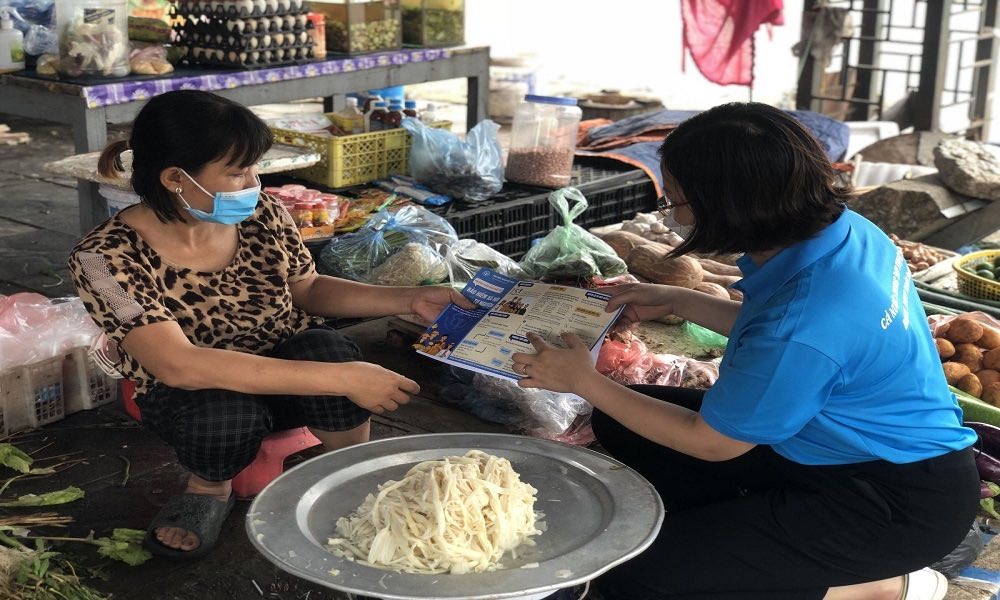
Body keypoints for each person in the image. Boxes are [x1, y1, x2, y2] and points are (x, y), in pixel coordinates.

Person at [511, 102, 979, 600]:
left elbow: (715, 442)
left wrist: (584, 380)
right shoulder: (843, 232)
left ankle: (877, 587)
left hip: (890, 501)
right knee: (616, 421)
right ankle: (750, 543)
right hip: (820, 448)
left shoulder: (805, 323)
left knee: (639, 576)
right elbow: (782, 340)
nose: (674, 216)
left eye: (677, 203)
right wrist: (676, 298)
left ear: (729, 206)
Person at [67, 90, 473, 560]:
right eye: (238, 172)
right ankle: (208, 489)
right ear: (176, 178)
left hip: (286, 368)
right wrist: (341, 380)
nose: (254, 183)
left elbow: (309, 288)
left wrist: (408, 299)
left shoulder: (263, 214)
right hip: (192, 398)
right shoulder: (102, 258)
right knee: (228, 410)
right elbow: (178, 366)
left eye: (254, 168)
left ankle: (350, 467)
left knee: (327, 349)